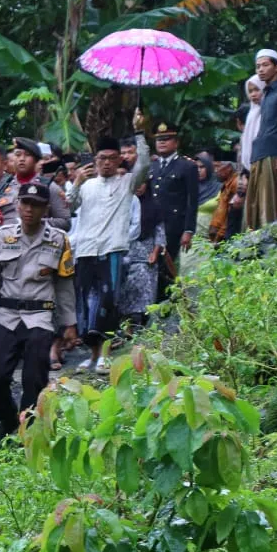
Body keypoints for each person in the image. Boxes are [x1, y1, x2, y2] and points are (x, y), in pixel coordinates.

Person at [0, 183, 78, 439]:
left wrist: (69, 323)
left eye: (36, 205)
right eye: (25, 203)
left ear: (46, 209)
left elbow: (64, 285)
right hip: (6, 316)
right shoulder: (2, 236)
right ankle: (9, 420)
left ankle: (28, 432)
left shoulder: (58, 239)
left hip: (40, 317)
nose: (29, 209)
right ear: (18, 204)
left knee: (34, 378)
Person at [71, 119, 151, 370]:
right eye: (102, 158)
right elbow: (70, 206)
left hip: (112, 250)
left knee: (108, 302)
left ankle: (105, 355)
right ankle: (93, 355)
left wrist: (139, 133)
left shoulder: (127, 183)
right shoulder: (87, 186)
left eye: (111, 158)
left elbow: (144, 165)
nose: (106, 163)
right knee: (86, 304)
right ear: (95, 160)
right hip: (85, 250)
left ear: (119, 160)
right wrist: (76, 182)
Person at [148, 122, 198, 301]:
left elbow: (192, 200)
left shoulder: (187, 166)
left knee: (167, 266)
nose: (162, 142)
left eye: (167, 139)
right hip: (152, 226)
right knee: (152, 265)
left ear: (176, 142)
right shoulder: (152, 166)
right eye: (159, 139)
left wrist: (188, 230)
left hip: (174, 225)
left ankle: (168, 302)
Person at [246, 49, 277, 230]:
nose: (260, 69)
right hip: (259, 151)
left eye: (265, 65)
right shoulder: (266, 93)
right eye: (258, 66)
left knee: (270, 203)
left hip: (273, 152)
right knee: (255, 204)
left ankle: (272, 236)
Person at [0, 138, 71, 233]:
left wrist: (36, 223)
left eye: (27, 155)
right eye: (18, 155)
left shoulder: (49, 187)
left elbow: (65, 222)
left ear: (36, 160)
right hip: (5, 239)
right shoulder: (2, 187)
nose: (22, 159)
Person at [119, 179, 165, 329]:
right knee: (126, 290)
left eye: (142, 183)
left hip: (146, 255)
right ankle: (126, 326)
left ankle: (141, 325)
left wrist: (155, 252)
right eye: (136, 183)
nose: (139, 187)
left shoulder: (154, 206)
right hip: (125, 253)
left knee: (144, 291)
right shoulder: (122, 205)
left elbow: (160, 233)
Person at [208, 153, 244, 243]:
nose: (215, 171)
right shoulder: (227, 183)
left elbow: (230, 214)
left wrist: (220, 235)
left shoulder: (236, 183)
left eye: (217, 167)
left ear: (229, 167)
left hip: (227, 236)